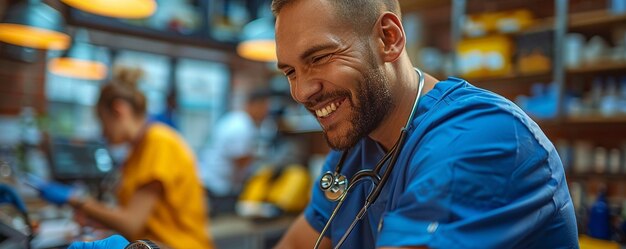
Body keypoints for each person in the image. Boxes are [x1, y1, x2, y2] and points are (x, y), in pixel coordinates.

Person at [69, 0, 579, 248]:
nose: (301, 92)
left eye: (320, 58)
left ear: (389, 38)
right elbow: (297, 244)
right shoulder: (355, 151)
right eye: (290, 71)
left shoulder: (482, 143)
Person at [35, 67, 213, 249]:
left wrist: (75, 199)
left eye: (103, 121)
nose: (103, 133)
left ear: (118, 110)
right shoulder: (138, 150)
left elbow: (131, 223)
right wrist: (97, 219)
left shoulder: (160, 142)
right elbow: (144, 220)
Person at [199, 88, 272, 198]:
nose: (266, 112)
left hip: (211, 181)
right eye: (265, 107)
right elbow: (241, 161)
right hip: (215, 186)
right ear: (254, 105)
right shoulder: (241, 126)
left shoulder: (237, 119)